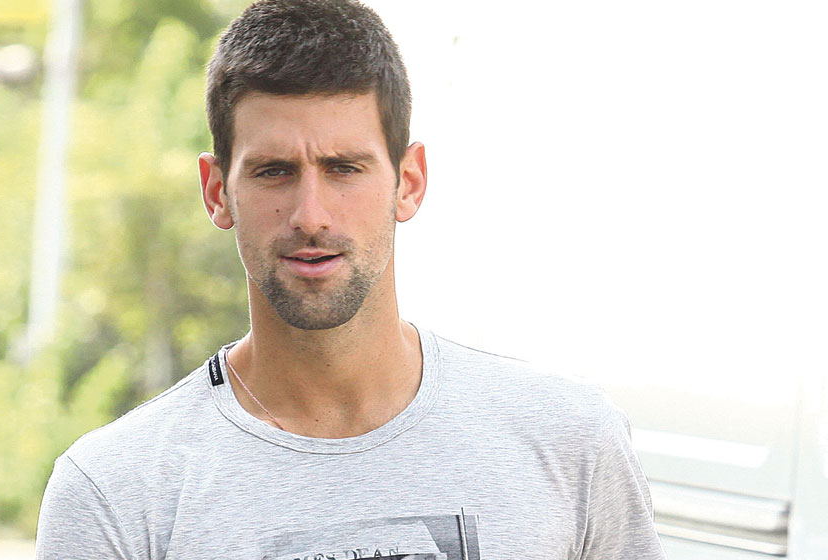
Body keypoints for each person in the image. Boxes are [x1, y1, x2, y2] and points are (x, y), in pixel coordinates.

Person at [35, 0, 666, 558]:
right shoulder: (116, 492)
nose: (311, 216)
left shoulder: (570, 443)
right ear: (217, 191)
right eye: (274, 171)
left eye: (344, 168)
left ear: (408, 182)